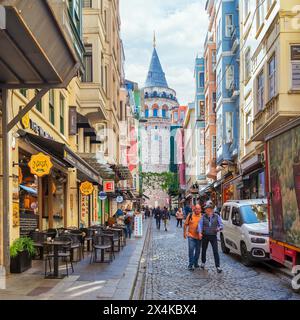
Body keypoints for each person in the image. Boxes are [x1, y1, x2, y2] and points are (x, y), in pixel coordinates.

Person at [198, 200, 224, 274]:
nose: (208, 210)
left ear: (212, 209)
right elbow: (200, 225)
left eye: (209, 208)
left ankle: (218, 266)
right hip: (205, 235)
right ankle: (203, 262)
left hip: (213, 236)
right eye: (206, 209)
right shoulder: (203, 217)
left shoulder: (217, 216)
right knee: (204, 250)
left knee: (215, 251)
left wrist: (218, 228)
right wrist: (200, 233)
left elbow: (221, 225)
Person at [184, 204, 202, 271]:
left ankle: (196, 263)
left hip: (199, 237)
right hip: (191, 236)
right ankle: (190, 264)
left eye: (199, 209)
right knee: (191, 250)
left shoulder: (202, 216)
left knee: (198, 251)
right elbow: (185, 225)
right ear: (194, 209)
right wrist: (184, 233)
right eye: (196, 208)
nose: (197, 210)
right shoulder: (190, 215)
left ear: (200, 209)